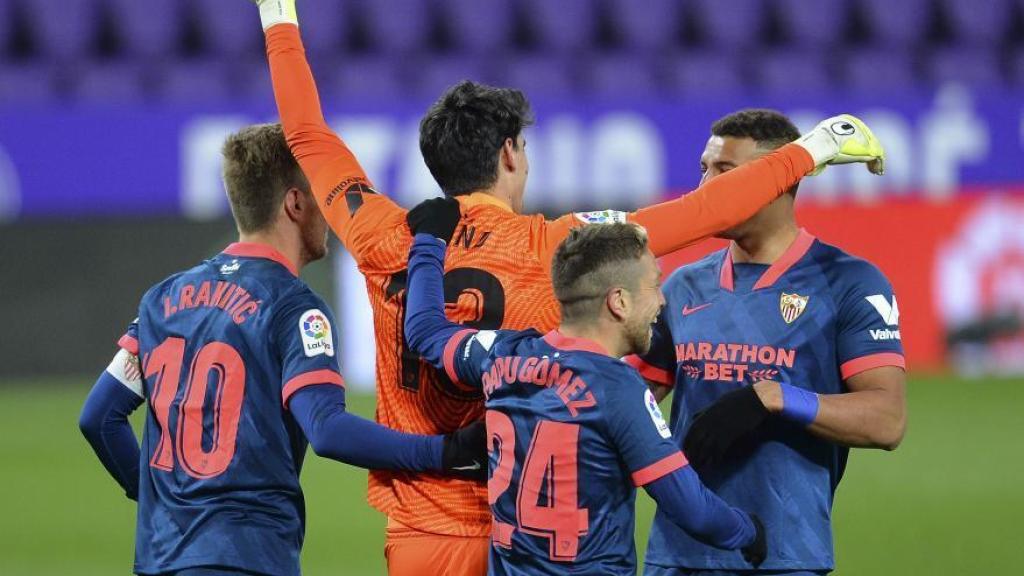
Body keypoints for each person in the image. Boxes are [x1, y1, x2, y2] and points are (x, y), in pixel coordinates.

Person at [250, 1, 884, 572]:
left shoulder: (383, 235)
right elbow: (704, 213)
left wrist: (279, 19)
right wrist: (811, 150)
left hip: (417, 531)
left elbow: (307, 135)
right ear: (508, 155)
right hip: (522, 532)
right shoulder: (557, 247)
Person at [78, 124, 484, 576]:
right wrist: (444, 453)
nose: (329, 210)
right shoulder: (294, 307)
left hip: (161, 558)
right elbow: (326, 430)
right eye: (321, 195)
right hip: (247, 559)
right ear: (295, 202)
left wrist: (160, 500)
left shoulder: (161, 300)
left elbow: (99, 416)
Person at [624, 109, 906, 576]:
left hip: (784, 554)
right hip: (676, 555)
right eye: (704, 169)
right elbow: (635, 398)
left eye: (726, 172)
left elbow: (887, 420)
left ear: (782, 180)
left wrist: (773, 398)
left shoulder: (850, 283)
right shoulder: (681, 286)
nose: (705, 188)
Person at [404, 219, 768, 575]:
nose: (662, 301)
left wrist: (429, 242)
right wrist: (748, 530)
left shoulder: (502, 354)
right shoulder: (618, 388)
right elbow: (694, 510)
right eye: (655, 286)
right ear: (619, 302)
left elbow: (424, 332)